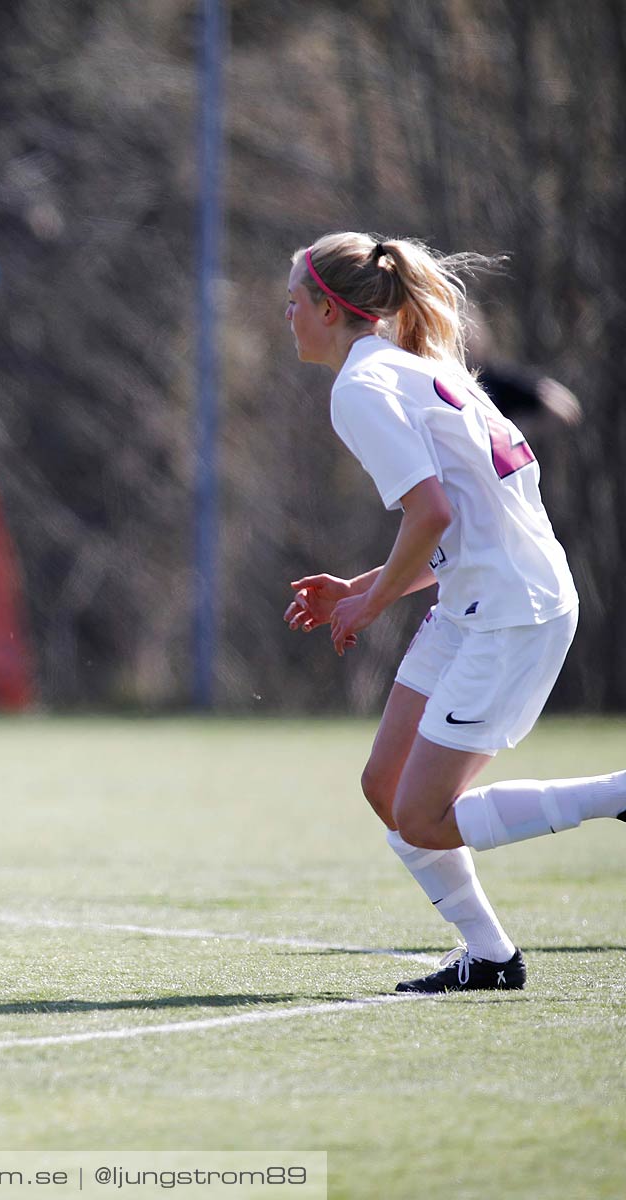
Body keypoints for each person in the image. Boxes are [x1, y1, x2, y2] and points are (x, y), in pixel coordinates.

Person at [281, 231, 624, 993]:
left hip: (511, 611)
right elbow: (454, 528)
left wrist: (369, 603)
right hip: (483, 598)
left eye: (297, 301)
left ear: (332, 312)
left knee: (424, 817)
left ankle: (618, 794)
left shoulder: (361, 389)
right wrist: (363, 585)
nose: (288, 316)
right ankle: (492, 959)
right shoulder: (413, 372)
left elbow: (430, 515)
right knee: (387, 788)